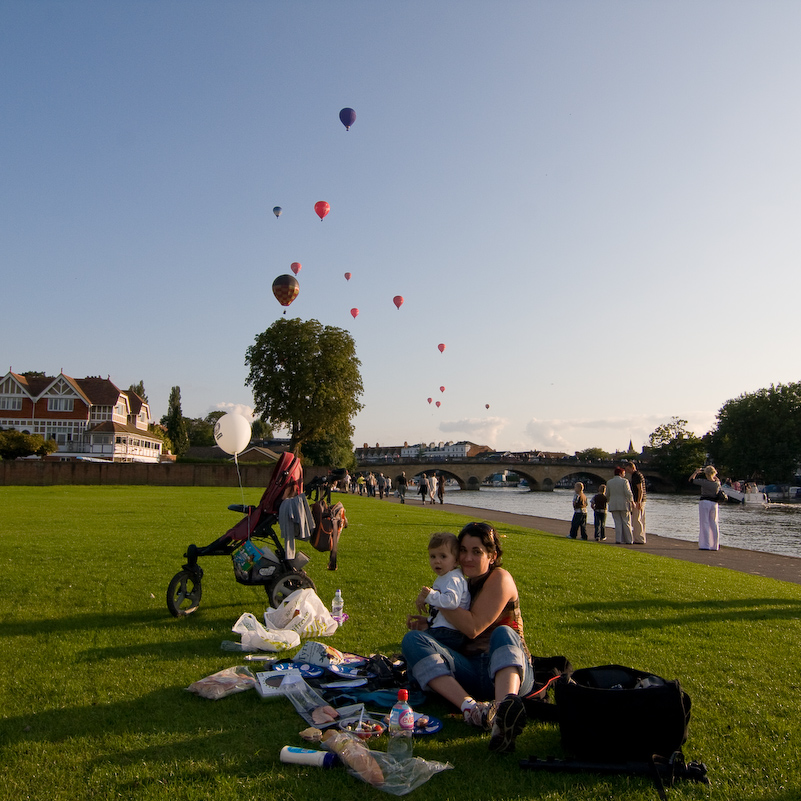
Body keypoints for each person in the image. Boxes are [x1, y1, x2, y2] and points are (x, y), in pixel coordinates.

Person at [402, 521, 535, 754]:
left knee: (504, 632)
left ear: (492, 556)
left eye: (477, 552)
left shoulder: (499, 578)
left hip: (508, 671)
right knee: (413, 639)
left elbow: (472, 627)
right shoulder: (463, 584)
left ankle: (503, 714)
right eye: (463, 550)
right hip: (472, 670)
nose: (467, 558)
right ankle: (471, 709)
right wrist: (430, 624)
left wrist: (435, 599)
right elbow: (458, 626)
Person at [415, 532, 470, 650]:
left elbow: (451, 601)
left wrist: (430, 595)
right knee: (416, 642)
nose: (437, 561)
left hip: (450, 632)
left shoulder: (453, 578)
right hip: (443, 629)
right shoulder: (445, 576)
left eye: (443, 556)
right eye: (433, 556)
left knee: (415, 641)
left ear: (456, 561)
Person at [690, 465, 722, 550]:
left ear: (706, 474)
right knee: (714, 523)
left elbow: (691, 480)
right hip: (714, 503)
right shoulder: (717, 483)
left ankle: (705, 544)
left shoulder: (704, 482)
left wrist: (696, 472)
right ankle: (715, 545)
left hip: (705, 502)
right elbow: (716, 479)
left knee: (705, 523)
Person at [606, 466, 634, 544]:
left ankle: (619, 539)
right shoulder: (625, 481)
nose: (625, 475)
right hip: (624, 504)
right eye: (624, 473)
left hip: (613, 504)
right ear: (621, 473)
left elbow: (607, 494)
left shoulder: (609, 482)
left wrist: (608, 501)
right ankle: (629, 540)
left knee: (617, 523)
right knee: (626, 522)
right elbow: (628, 493)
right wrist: (632, 501)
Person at [623, 460, 647, 544]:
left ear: (632, 468)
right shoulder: (638, 475)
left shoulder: (636, 476)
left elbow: (640, 489)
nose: (626, 471)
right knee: (641, 519)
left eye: (627, 469)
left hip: (638, 500)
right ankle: (641, 537)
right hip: (642, 500)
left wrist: (638, 502)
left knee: (636, 520)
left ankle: (639, 539)